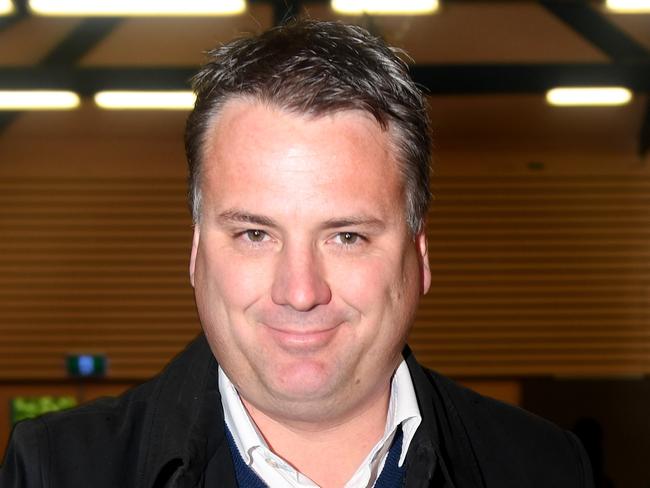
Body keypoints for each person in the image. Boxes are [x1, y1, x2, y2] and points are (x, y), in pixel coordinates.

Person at [1, 19, 593, 488]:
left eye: (347, 236)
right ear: (197, 252)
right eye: (255, 234)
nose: (301, 291)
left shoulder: (545, 467)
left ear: (419, 256)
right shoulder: (53, 470)